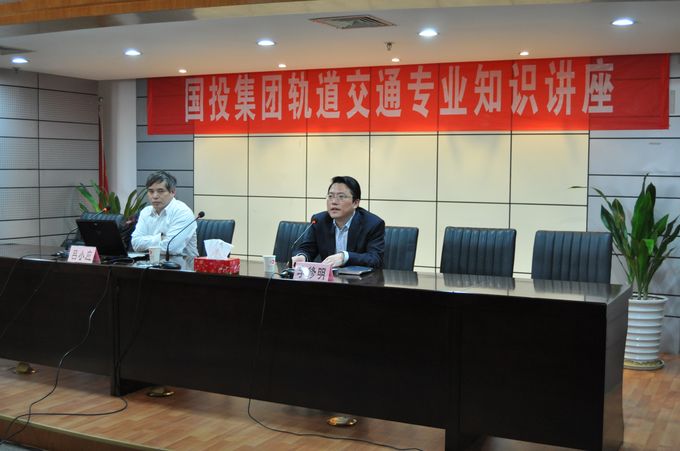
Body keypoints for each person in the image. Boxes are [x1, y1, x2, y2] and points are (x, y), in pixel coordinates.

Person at [291, 176, 384, 268]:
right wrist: (302, 256)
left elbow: (375, 259)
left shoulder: (373, 224)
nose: (334, 202)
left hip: (359, 277)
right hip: (329, 277)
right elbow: (307, 249)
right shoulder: (319, 221)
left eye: (341, 197)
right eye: (330, 196)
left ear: (355, 203)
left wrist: (345, 257)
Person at [131, 170, 198, 257]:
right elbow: (135, 243)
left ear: (172, 192)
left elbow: (171, 248)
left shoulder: (182, 212)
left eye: (160, 191)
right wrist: (160, 238)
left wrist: (146, 242)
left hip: (182, 263)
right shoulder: (146, 212)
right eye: (151, 191)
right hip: (151, 262)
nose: (155, 196)